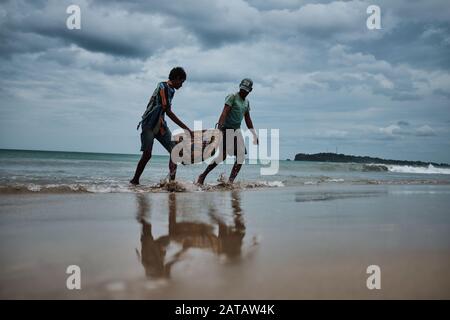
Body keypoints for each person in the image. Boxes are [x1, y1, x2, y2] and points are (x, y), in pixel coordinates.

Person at [130, 67, 193, 185]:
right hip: (149, 124)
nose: (182, 85)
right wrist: (186, 128)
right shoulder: (162, 87)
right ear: (177, 78)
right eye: (182, 82)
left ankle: (171, 183)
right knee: (147, 155)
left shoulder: (171, 90)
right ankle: (135, 180)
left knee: (174, 151)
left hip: (160, 125)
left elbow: (165, 111)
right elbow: (168, 111)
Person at [197, 78, 258, 185]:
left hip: (236, 131)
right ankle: (202, 176)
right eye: (242, 89)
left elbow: (248, 119)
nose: (243, 91)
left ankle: (230, 182)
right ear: (240, 87)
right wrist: (219, 130)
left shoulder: (246, 103)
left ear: (250, 90)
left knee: (241, 156)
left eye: (246, 90)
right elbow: (224, 113)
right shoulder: (232, 97)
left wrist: (253, 134)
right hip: (225, 129)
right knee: (222, 155)